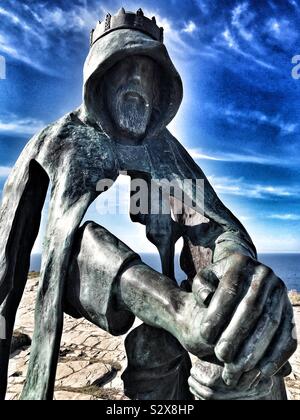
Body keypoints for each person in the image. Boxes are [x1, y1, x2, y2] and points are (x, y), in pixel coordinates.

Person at [0, 9, 296, 400]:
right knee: (84, 238)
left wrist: (236, 275)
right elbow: (9, 263)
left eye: (150, 70)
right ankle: (180, 314)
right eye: (125, 66)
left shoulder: (168, 153)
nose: (140, 79)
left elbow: (218, 227)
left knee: (158, 348)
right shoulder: (56, 143)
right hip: (113, 296)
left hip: (175, 345)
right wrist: (175, 306)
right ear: (99, 76)